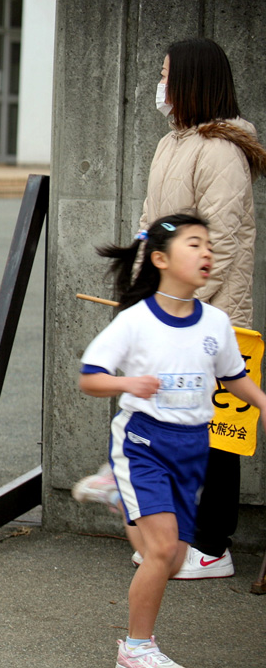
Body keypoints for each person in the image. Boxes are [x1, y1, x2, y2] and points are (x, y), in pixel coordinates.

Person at [72, 37, 266, 581]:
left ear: (191, 82)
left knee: (214, 432)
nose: (158, 86)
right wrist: (145, 293)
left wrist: (176, 306)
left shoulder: (222, 152)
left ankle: (210, 545)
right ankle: (172, 537)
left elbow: (218, 247)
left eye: (165, 75)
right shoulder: (171, 144)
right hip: (168, 311)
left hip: (209, 315)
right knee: (159, 418)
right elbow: (152, 228)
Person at [79, 215, 266, 668]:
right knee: (161, 550)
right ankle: (137, 648)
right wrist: (128, 384)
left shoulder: (216, 322)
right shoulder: (135, 320)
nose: (206, 253)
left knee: (172, 555)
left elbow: (233, 376)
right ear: (160, 259)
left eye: (209, 245)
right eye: (194, 244)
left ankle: (120, 498)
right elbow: (90, 379)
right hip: (143, 440)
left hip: (193, 447)